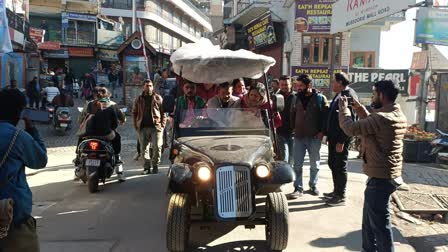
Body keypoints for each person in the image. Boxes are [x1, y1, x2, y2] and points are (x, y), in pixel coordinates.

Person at [338, 80, 407, 252]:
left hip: (380, 179)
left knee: (380, 226)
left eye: (374, 93)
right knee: (369, 223)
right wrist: (360, 109)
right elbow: (373, 124)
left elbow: (350, 128)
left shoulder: (382, 118)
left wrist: (344, 110)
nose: (372, 96)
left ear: (382, 95)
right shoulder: (396, 113)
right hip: (385, 175)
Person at [0, 89, 47, 251]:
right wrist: (32, 129)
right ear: (20, 112)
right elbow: (40, 160)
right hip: (12, 219)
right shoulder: (17, 137)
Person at [289, 74, 329, 199]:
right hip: (299, 137)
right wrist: (293, 129)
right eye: (297, 85)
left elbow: (326, 117)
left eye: (301, 85)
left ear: (309, 85)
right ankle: (298, 188)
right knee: (297, 165)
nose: (298, 88)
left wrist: (322, 132)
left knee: (314, 164)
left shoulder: (320, 98)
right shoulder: (295, 98)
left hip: (314, 137)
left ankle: (313, 185)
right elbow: (292, 115)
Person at [324, 72, 358, 206]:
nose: (332, 84)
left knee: (340, 165)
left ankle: (340, 195)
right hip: (333, 137)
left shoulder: (348, 96)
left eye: (334, 81)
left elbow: (351, 120)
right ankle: (335, 191)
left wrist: (342, 140)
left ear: (340, 82)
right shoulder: (339, 94)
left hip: (340, 139)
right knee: (333, 163)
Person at [133, 79, 166, 175]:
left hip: (156, 127)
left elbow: (163, 112)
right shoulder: (138, 99)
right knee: (144, 148)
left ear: (153, 87)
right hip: (142, 127)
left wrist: (162, 125)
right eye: (147, 85)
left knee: (157, 147)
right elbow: (134, 113)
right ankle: (146, 167)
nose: (149, 87)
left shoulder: (158, 98)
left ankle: (155, 165)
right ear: (143, 87)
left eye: (150, 85)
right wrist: (136, 125)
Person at [277, 76, 295, 164]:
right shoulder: (275, 97)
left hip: (293, 133)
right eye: (282, 85)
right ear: (279, 85)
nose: (284, 86)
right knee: (284, 158)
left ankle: (291, 177)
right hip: (280, 132)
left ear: (290, 85)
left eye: (286, 84)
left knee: (292, 160)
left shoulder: (296, 97)